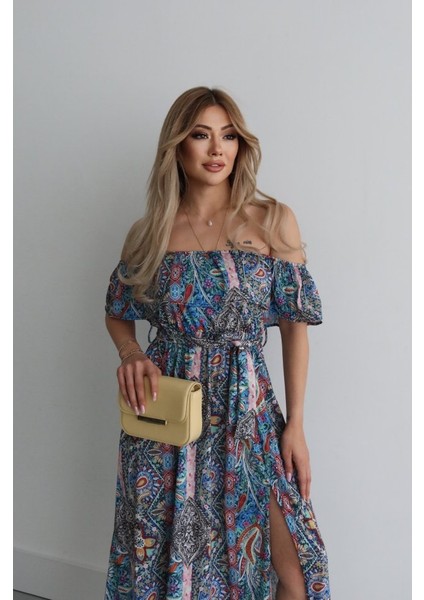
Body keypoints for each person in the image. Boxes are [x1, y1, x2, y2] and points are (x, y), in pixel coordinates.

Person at [104, 86, 331, 600]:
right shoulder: (150, 232)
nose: (216, 149)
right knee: (172, 571)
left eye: (228, 136)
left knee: (298, 568)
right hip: (169, 419)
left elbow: (295, 327)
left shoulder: (271, 220)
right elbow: (117, 311)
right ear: (177, 146)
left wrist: (295, 424)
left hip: (248, 414)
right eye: (201, 135)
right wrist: (131, 353)